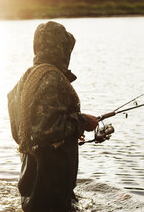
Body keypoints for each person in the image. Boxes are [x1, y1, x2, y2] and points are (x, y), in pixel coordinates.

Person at [7, 21, 98, 212]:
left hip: (30, 180)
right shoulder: (52, 78)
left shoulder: (26, 77)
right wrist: (83, 121)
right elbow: (46, 130)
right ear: (62, 48)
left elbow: (19, 132)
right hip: (50, 184)